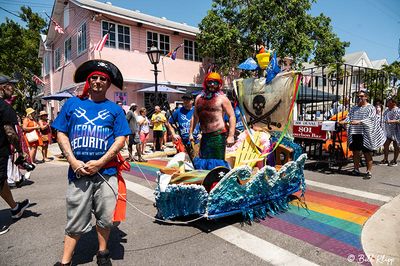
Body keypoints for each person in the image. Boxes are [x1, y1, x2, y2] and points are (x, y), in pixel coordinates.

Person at [51, 60, 131, 266]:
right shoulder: (72, 104)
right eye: (94, 77)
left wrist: (100, 162)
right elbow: (61, 132)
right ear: (88, 81)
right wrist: (72, 160)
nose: (97, 81)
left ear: (108, 83)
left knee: (105, 217)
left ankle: (103, 252)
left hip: (107, 172)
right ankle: (65, 261)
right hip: (78, 172)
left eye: (103, 78)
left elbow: (121, 139)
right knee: (75, 217)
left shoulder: (115, 110)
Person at [0, 75, 30, 235]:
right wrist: (19, 150)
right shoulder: (4, 107)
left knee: (1, 180)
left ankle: (15, 208)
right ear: (2, 88)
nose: (13, 89)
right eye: (10, 85)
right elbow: (10, 133)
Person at [189, 72, 235, 169]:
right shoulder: (198, 98)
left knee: (217, 165)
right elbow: (195, 117)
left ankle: (216, 183)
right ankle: (205, 182)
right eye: (210, 82)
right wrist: (190, 133)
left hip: (218, 136)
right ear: (206, 83)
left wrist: (231, 136)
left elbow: (232, 116)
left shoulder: (222, 99)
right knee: (203, 162)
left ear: (219, 84)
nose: (212, 85)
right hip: (205, 137)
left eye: (215, 82)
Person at [339, 90, 385, 179]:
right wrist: (344, 121)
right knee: (356, 152)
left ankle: (368, 171)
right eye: (358, 96)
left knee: (367, 153)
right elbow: (349, 118)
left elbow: (372, 119)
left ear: (366, 97)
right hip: (355, 132)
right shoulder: (354, 108)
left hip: (366, 134)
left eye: (361, 96)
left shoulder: (371, 108)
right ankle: (356, 169)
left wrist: (359, 121)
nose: (359, 98)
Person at [167, 93, 200, 157]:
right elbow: (169, 123)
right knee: (184, 160)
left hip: (195, 140)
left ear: (192, 101)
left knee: (196, 159)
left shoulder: (196, 110)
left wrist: (201, 133)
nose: (185, 101)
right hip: (183, 141)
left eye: (187, 100)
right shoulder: (178, 111)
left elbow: (203, 122)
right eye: (184, 99)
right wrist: (174, 134)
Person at [380, 98, 400, 166]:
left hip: (396, 131)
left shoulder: (398, 110)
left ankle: (394, 160)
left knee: (396, 146)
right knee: (385, 145)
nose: (388, 103)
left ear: (394, 103)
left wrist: (392, 121)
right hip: (387, 131)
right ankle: (385, 159)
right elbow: (383, 117)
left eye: (389, 102)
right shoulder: (387, 110)